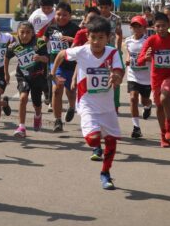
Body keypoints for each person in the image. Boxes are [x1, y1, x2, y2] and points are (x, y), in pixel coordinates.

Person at [52, 18, 124, 190]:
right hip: (87, 104)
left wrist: (116, 77)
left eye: (101, 37)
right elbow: (62, 54)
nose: (96, 41)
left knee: (112, 142)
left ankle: (105, 173)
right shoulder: (82, 51)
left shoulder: (113, 53)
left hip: (107, 107)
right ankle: (96, 145)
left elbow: (119, 74)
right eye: (93, 37)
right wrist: (53, 73)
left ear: (108, 38)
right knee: (93, 139)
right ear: (87, 37)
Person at [137, 12, 170, 147]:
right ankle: (163, 134)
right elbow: (140, 60)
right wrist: (146, 57)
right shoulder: (151, 40)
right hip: (156, 77)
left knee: (165, 97)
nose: (161, 29)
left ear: (168, 25)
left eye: (163, 26)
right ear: (154, 27)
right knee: (159, 106)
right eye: (158, 26)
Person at [4, 21, 49, 138]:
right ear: (18, 33)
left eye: (28, 32)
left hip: (37, 76)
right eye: (22, 32)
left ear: (33, 33)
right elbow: (7, 57)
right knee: (23, 98)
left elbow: (47, 59)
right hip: (22, 75)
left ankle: (38, 115)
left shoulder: (39, 43)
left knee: (36, 103)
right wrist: (6, 74)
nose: (24, 35)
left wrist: (39, 57)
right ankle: (21, 127)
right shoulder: (15, 45)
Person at [45, 2, 79, 132]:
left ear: (70, 16)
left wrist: (72, 40)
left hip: (71, 65)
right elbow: (43, 41)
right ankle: (58, 120)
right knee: (56, 89)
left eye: (65, 15)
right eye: (59, 14)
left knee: (70, 91)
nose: (61, 17)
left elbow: (82, 44)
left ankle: (71, 107)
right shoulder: (51, 28)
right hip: (56, 64)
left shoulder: (75, 29)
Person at [124, 15, 153, 141]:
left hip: (146, 76)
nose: (136, 29)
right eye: (134, 26)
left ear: (144, 28)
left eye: (139, 26)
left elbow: (153, 56)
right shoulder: (128, 41)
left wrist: (147, 58)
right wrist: (127, 58)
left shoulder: (148, 41)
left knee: (145, 100)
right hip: (132, 74)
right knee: (133, 98)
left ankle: (148, 106)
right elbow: (129, 53)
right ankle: (136, 128)